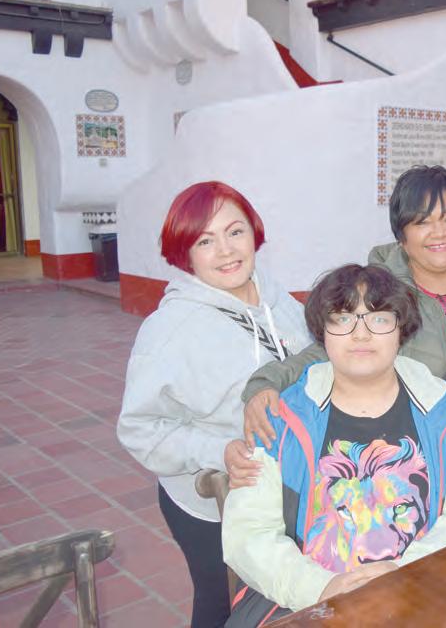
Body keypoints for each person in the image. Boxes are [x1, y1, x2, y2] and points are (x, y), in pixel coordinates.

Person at [229, 166, 446, 522]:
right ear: (401, 234)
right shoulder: (380, 298)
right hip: (419, 488)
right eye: (422, 222)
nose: (439, 232)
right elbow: (325, 350)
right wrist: (266, 383)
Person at [221, 264, 446, 623]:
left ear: (401, 330)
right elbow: (249, 535)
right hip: (307, 603)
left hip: (424, 594)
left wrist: (407, 572)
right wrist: (320, 587)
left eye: (379, 319)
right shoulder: (279, 421)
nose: (361, 334)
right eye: (343, 318)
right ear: (322, 331)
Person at [117, 181, 310, 627]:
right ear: (185, 253)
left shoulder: (280, 302)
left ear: (254, 233)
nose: (226, 251)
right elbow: (138, 428)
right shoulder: (169, 330)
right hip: (212, 501)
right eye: (205, 241)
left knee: (283, 595)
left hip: (284, 486)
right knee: (226, 603)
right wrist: (217, 451)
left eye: (235, 232)